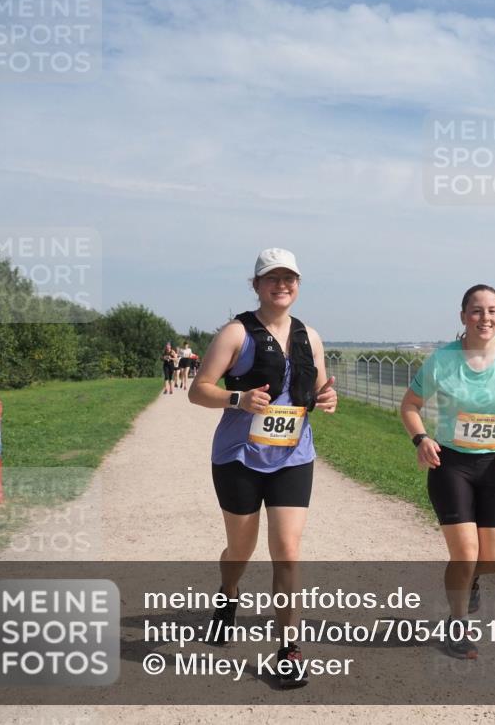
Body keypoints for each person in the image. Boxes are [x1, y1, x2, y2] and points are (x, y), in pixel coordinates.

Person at [188, 247, 337, 688]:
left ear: (298, 284)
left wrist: (328, 398)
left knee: (288, 550)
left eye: (289, 278)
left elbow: (321, 388)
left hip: (293, 455)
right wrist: (238, 398)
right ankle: (228, 596)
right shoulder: (236, 333)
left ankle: (288, 650)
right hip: (238, 457)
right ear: (256, 285)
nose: (282, 285)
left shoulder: (311, 336)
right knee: (241, 550)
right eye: (272, 278)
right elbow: (199, 390)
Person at [399, 285, 495, 660]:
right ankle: (456, 624)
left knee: (494, 560)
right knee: (464, 553)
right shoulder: (442, 360)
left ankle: (472, 580)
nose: (484, 318)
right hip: (450, 464)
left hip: (494, 466)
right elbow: (409, 406)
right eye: (476, 311)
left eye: (492, 311)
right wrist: (421, 438)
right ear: (463, 316)